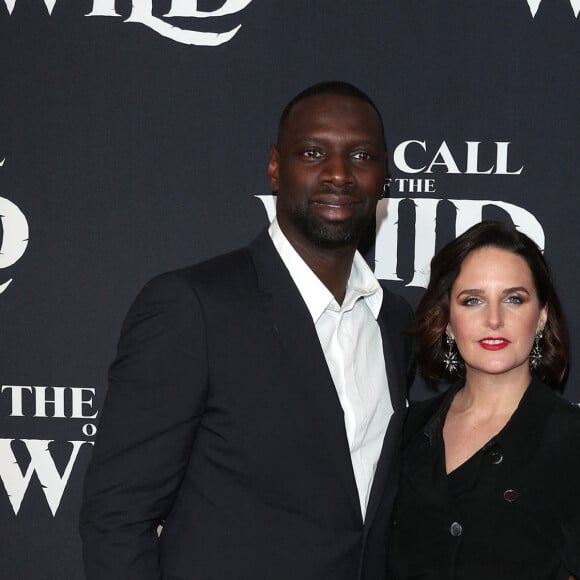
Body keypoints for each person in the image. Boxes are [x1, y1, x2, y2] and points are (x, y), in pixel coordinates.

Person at [79, 81, 415, 580]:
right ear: (276, 167)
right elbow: (116, 517)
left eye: (362, 155)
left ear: (383, 176)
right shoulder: (194, 307)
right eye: (314, 152)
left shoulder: (395, 323)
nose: (339, 173)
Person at [388, 221, 580, 579]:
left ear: (541, 317)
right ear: (447, 320)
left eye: (514, 299)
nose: (494, 319)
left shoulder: (570, 441)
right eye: (473, 300)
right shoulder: (405, 434)